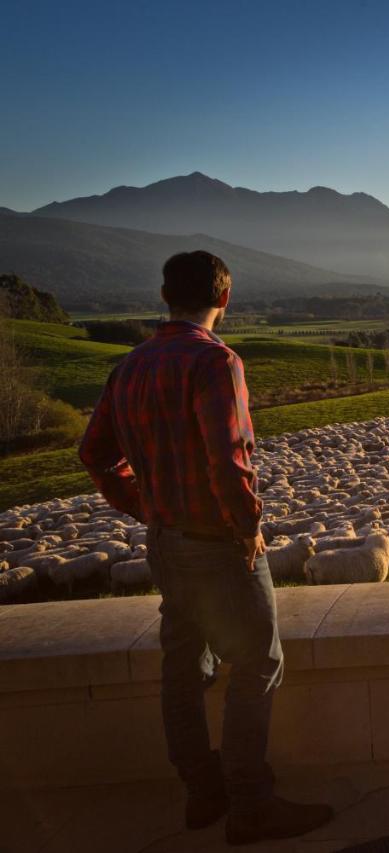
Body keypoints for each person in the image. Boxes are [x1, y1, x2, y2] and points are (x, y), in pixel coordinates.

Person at [78, 251, 333, 845]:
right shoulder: (216, 362)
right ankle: (251, 805)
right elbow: (230, 456)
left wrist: (143, 505)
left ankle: (202, 793)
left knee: (183, 668)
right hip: (218, 544)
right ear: (225, 297)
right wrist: (247, 527)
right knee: (258, 662)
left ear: (167, 296)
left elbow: (94, 453)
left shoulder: (130, 367)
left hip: (165, 543)